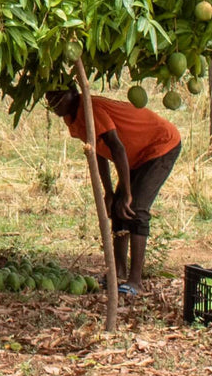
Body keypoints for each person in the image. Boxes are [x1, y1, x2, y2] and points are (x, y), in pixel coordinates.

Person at [47, 86, 181, 297]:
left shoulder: (90, 110)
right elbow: (98, 149)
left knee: (135, 208)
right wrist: (110, 192)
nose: (53, 102)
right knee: (118, 207)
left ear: (73, 93)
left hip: (160, 144)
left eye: (58, 96)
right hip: (135, 154)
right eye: (50, 97)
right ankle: (118, 271)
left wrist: (126, 192)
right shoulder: (72, 117)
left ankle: (136, 281)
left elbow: (116, 148)